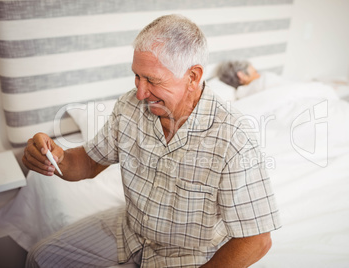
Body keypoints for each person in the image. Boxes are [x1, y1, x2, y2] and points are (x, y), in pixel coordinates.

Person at [23, 14, 281, 267]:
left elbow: (257, 240)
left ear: (192, 77)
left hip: (188, 254)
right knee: (40, 257)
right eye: (137, 76)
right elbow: (88, 163)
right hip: (131, 230)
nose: (140, 91)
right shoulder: (129, 106)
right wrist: (55, 157)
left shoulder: (233, 136)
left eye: (153, 80)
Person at [216, 60, 285, 100]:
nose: (259, 75)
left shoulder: (240, 95)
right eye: (255, 72)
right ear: (242, 76)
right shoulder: (264, 81)